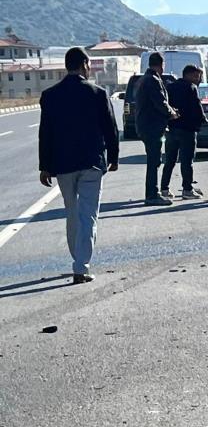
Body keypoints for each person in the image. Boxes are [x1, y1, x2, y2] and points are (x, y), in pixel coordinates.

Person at [38, 47, 120, 284]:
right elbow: (110, 129)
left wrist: (45, 166)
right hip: (91, 163)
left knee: (72, 214)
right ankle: (81, 266)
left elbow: (45, 133)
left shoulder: (50, 95)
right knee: (88, 215)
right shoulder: (97, 93)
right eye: (89, 64)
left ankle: (78, 259)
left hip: (63, 165)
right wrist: (114, 157)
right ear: (84, 64)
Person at [134, 52, 179, 206]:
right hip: (152, 126)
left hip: (146, 125)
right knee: (154, 161)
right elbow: (160, 102)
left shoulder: (144, 79)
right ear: (161, 64)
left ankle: (152, 192)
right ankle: (152, 194)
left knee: (153, 160)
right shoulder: (152, 80)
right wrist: (172, 113)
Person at [161, 65, 208, 200]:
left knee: (170, 161)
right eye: (197, 76)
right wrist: (203, 119)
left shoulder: (170, 87)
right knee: (187, 161)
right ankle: (187, 189)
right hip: (187, 129)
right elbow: (197, 107)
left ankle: (164, 188)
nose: (198, 79)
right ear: (189, 75)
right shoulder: (191, 88)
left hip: (172, 129)